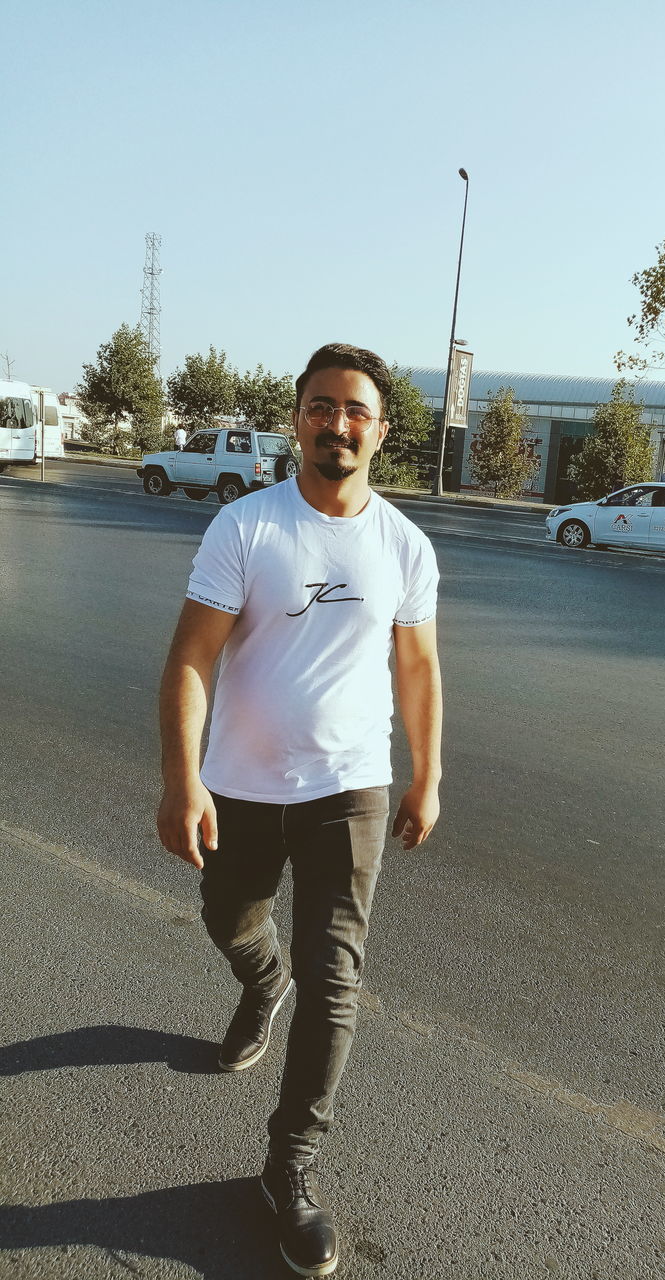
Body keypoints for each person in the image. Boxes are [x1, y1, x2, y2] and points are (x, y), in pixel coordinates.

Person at [156, 342, 442, 1277]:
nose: (339, 423)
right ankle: (258, 980)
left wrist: (426, 774)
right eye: (322, 406)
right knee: (229, 918)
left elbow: (416, 667)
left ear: (381, 431)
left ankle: (290, 1167)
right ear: (298, 420)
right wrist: (183, 776)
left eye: (356, 410)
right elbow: (193, 657)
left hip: (349, 788)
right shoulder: (247, 527)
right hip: (240, 783)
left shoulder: (404, 545)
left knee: (339, 977)